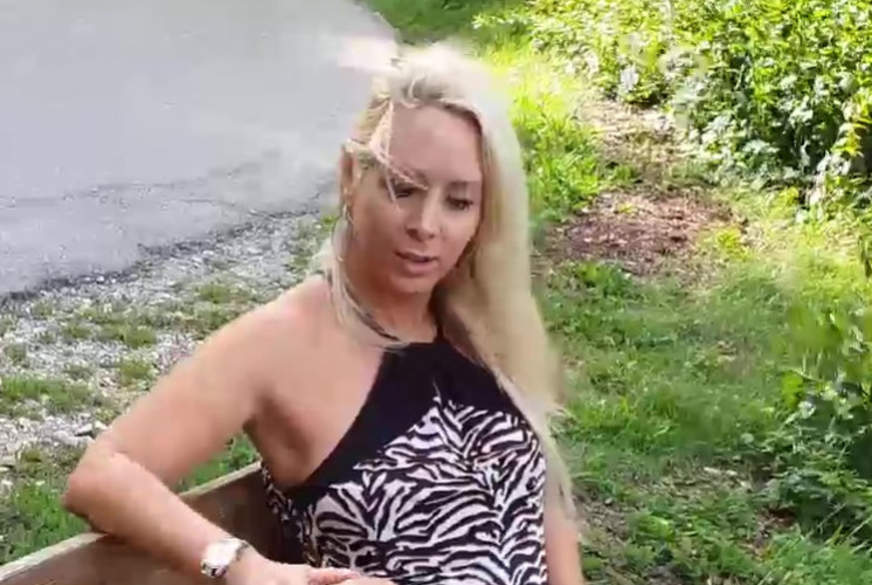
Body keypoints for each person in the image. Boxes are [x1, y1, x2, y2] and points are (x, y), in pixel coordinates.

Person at [62, 44, 585, 585]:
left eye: (459, 202)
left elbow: (546, 522)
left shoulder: (478, 327)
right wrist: (241, 566)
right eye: (403, 188)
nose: (426, 225)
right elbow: (102, 475)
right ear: (350, 175)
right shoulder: (283, 340)